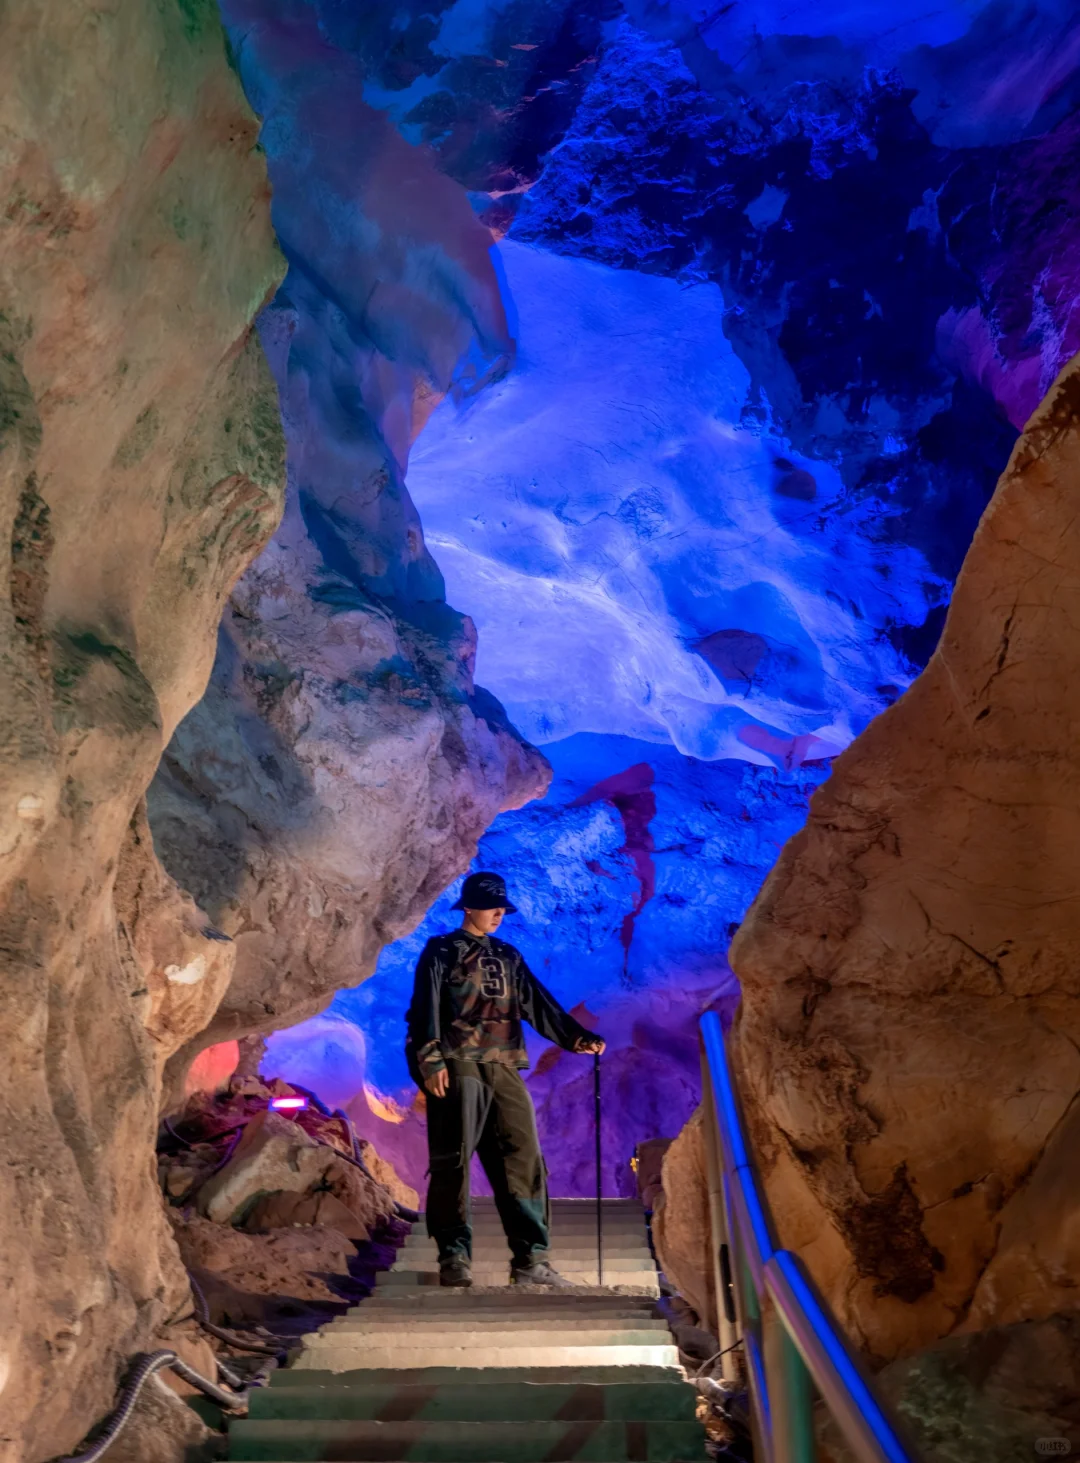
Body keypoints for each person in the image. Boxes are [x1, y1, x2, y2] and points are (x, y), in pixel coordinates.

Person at [405, 870, 605, 1289]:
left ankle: (531, 1259)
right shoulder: (441, 950)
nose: (498, 914)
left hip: (504, 1064)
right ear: (469, 908)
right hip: (459, 1061)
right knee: (454, 1157)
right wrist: (430, 1060)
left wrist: (576, 1037)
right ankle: (454, 1255)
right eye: (492, 907)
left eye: (502, 908)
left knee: (523, 1156)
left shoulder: (509, 955)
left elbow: (537, 1002)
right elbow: (425, 1007)